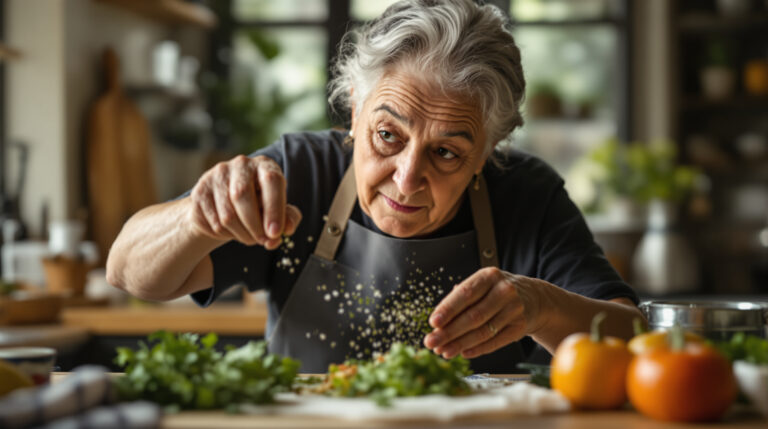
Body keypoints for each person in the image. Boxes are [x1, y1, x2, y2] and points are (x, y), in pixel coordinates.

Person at [107, 0, 643, 373]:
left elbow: (633, 339)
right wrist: (196, 220)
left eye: (447, 152)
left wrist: (543, 307)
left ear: (485, 155)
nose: (407, 178)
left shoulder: (528, 194)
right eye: (388, 135)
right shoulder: (301, 170)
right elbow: (128, 272)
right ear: (355, 112)